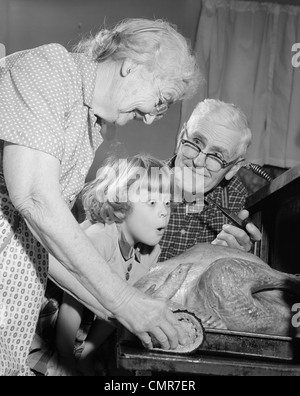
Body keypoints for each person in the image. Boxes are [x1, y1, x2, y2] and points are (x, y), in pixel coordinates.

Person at [0, 18, 200, 376]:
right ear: (132, 65)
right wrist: (125, 301)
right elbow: (33, 197)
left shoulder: (90, 125)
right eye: (160, 100)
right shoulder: (50, 69)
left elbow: (43, 243)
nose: (152, 120)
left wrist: (127, 315)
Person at [54, 155, 173, 376]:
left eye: (167, 202)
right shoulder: (100, 238)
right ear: (121, 207)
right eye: (152, 203)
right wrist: (66, 357)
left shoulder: (150, 253)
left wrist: (85, 354)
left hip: (87, 331)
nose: (164, 211)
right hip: (55, 324)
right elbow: (72, 303)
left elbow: (120, 314)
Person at [159, 99, 262, 262]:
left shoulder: (235, 199)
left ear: (234, 168)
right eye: (196, 142)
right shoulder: (137, 183)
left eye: (217, 156)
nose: (198, 162)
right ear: (180, 138)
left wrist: (227, 261)